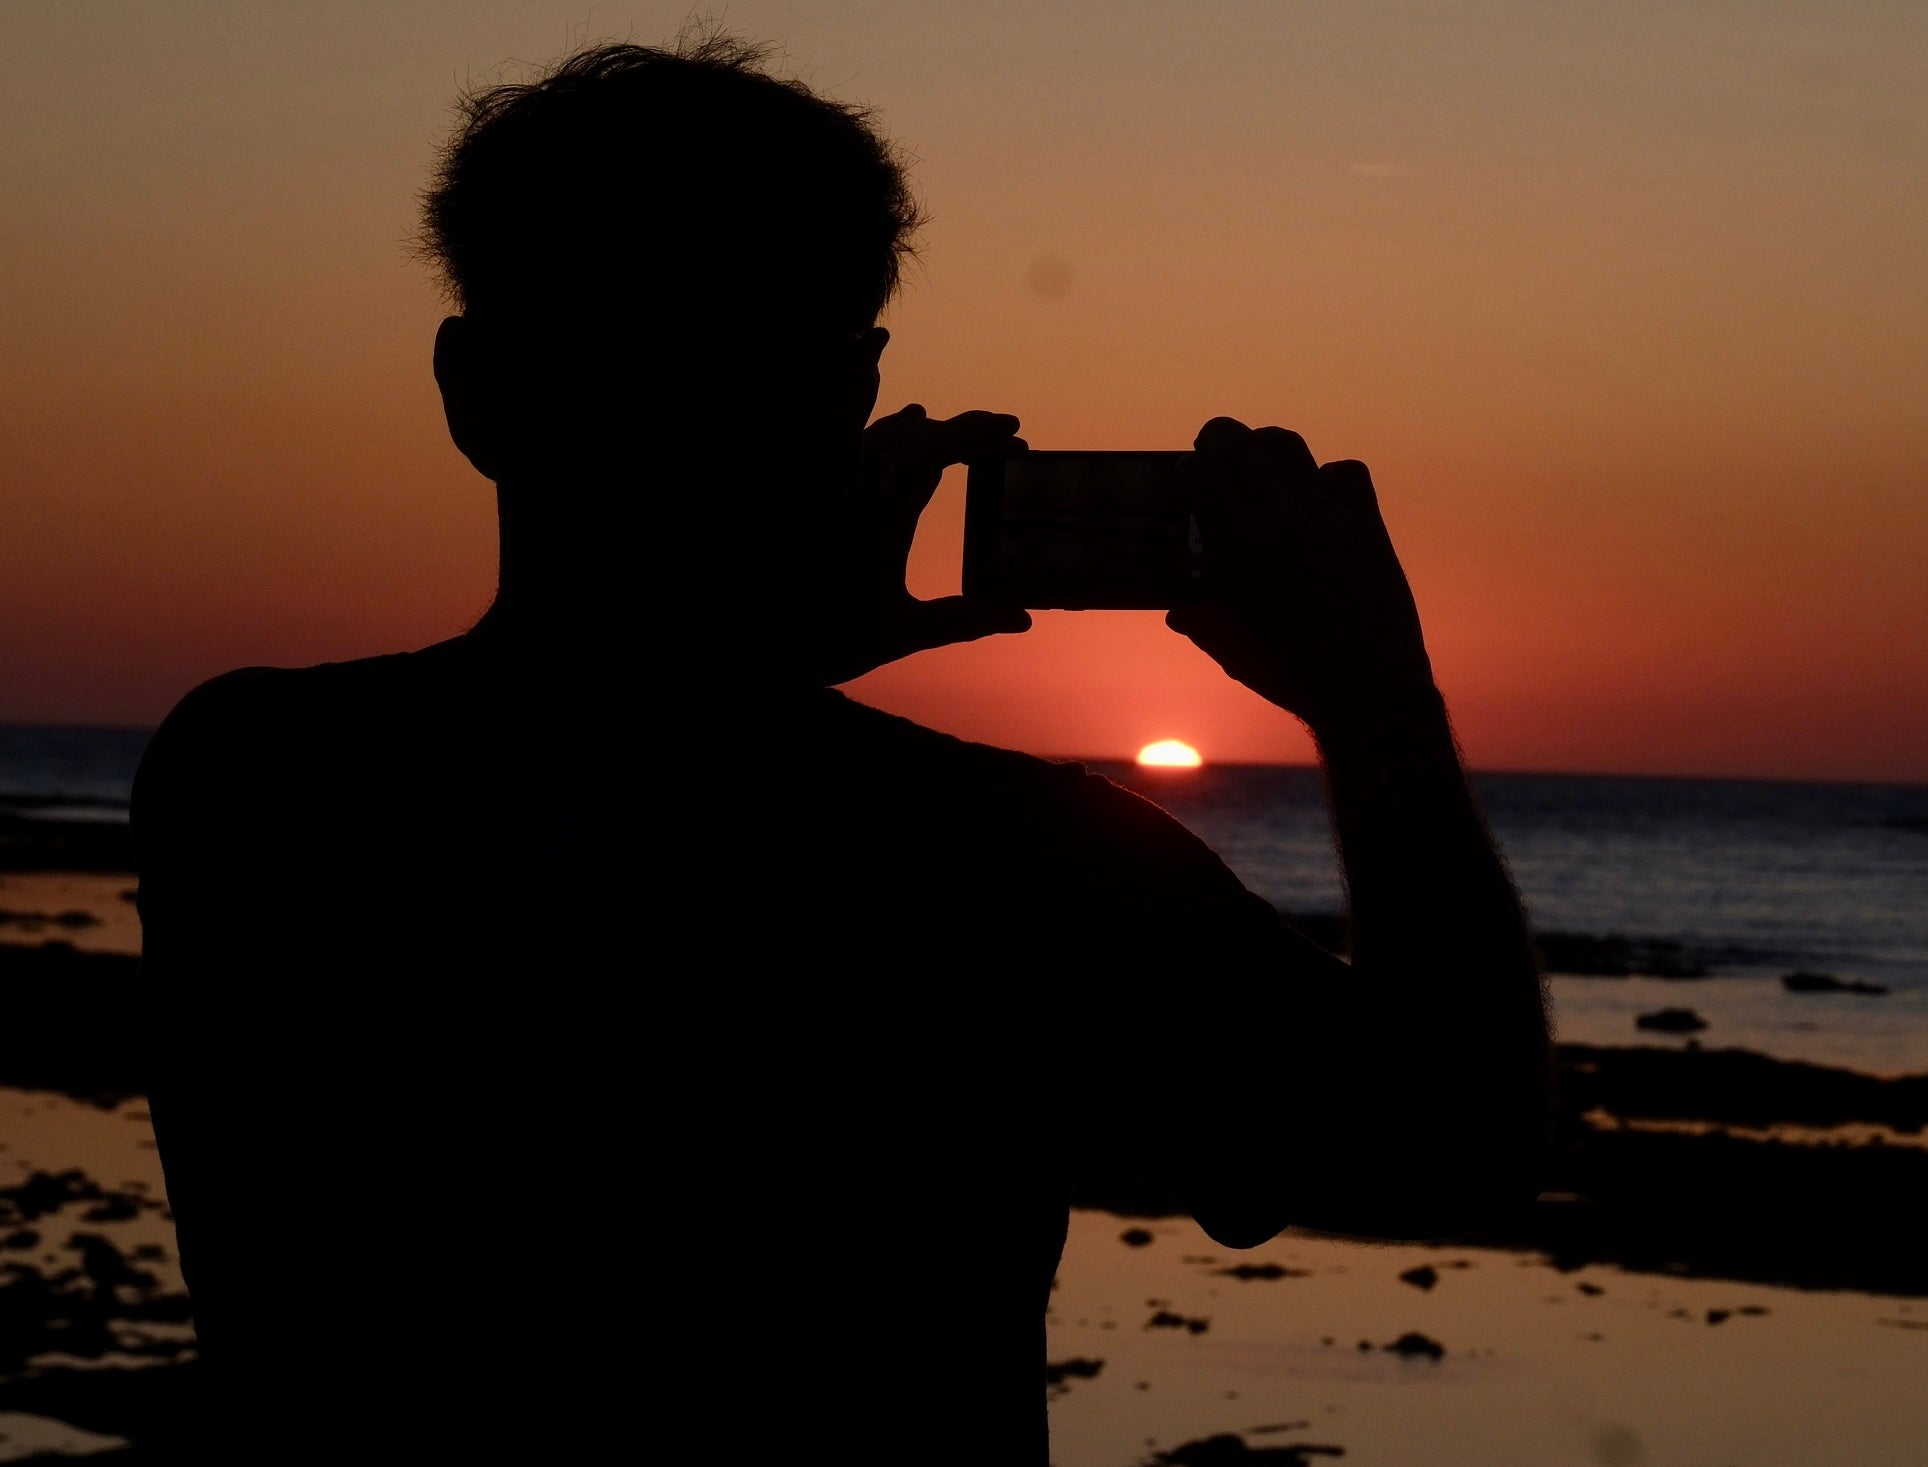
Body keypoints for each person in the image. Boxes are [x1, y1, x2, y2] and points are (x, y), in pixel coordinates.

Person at [131, 33, 1551, 1463]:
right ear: (848, 395)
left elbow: (601, 867)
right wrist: (1379, 708)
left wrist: (772, 657)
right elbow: (1469, 1148)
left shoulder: (250, 777)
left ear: (471, 388)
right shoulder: (1012, 862)